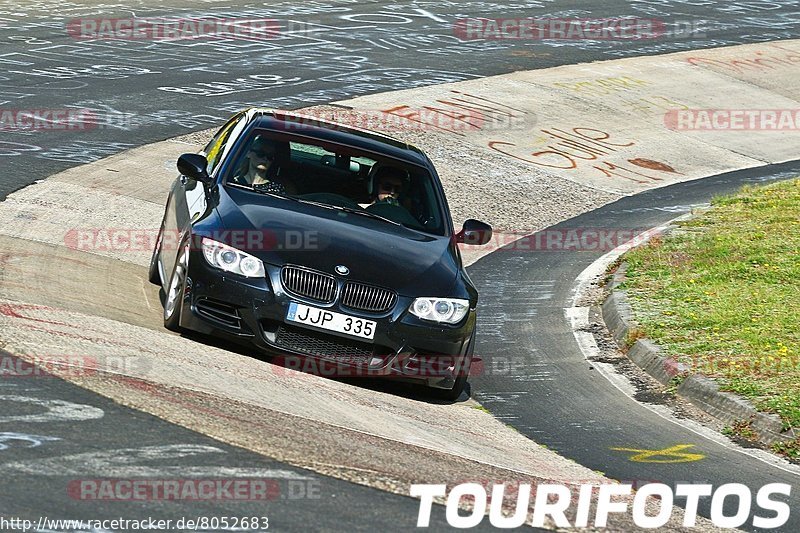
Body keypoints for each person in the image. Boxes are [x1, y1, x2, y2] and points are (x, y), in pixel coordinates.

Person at [232, 135, 297, 194]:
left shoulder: (276, 189)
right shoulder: (233, 182)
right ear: (249, 153)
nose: (265, 158)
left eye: (270, 156)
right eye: (261, 153)